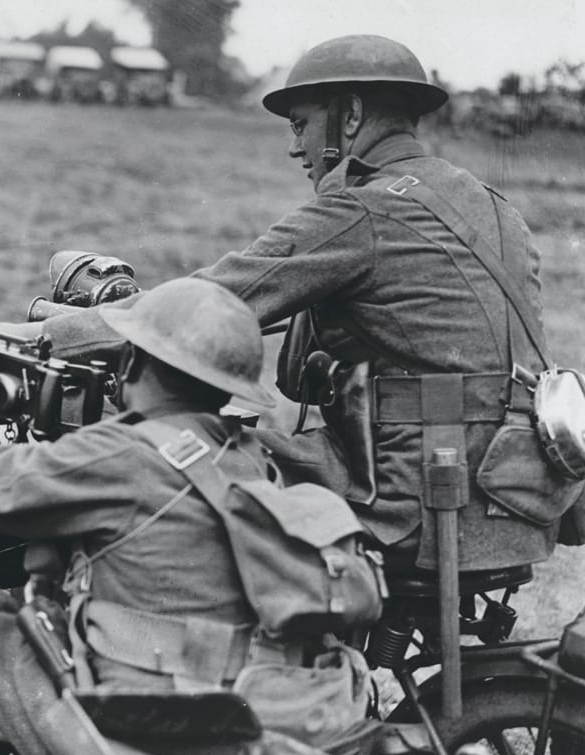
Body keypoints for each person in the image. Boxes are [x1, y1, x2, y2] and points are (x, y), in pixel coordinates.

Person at [32, 34, 577, 573]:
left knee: (164, 448)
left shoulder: (360, 211)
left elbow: (198, 305)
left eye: (300, 125)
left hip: (413, 504)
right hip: (515, 496)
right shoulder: (496, 209)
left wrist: (24, 336)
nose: (296, 148)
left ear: (351, 115)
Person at [0, 277, 368, 755]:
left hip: (132, 737)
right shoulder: (249, 457)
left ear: (134, 362)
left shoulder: (120, 457)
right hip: (240, 714)